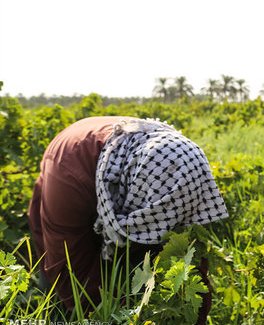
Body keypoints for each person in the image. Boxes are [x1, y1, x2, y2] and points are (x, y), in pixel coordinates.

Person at [27, 116, 228, 314]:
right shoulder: (69, 175)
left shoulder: (181, 170)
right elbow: (70, 265)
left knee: (142, 260)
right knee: (58, 289)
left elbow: (187, 257)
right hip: (72, 159)